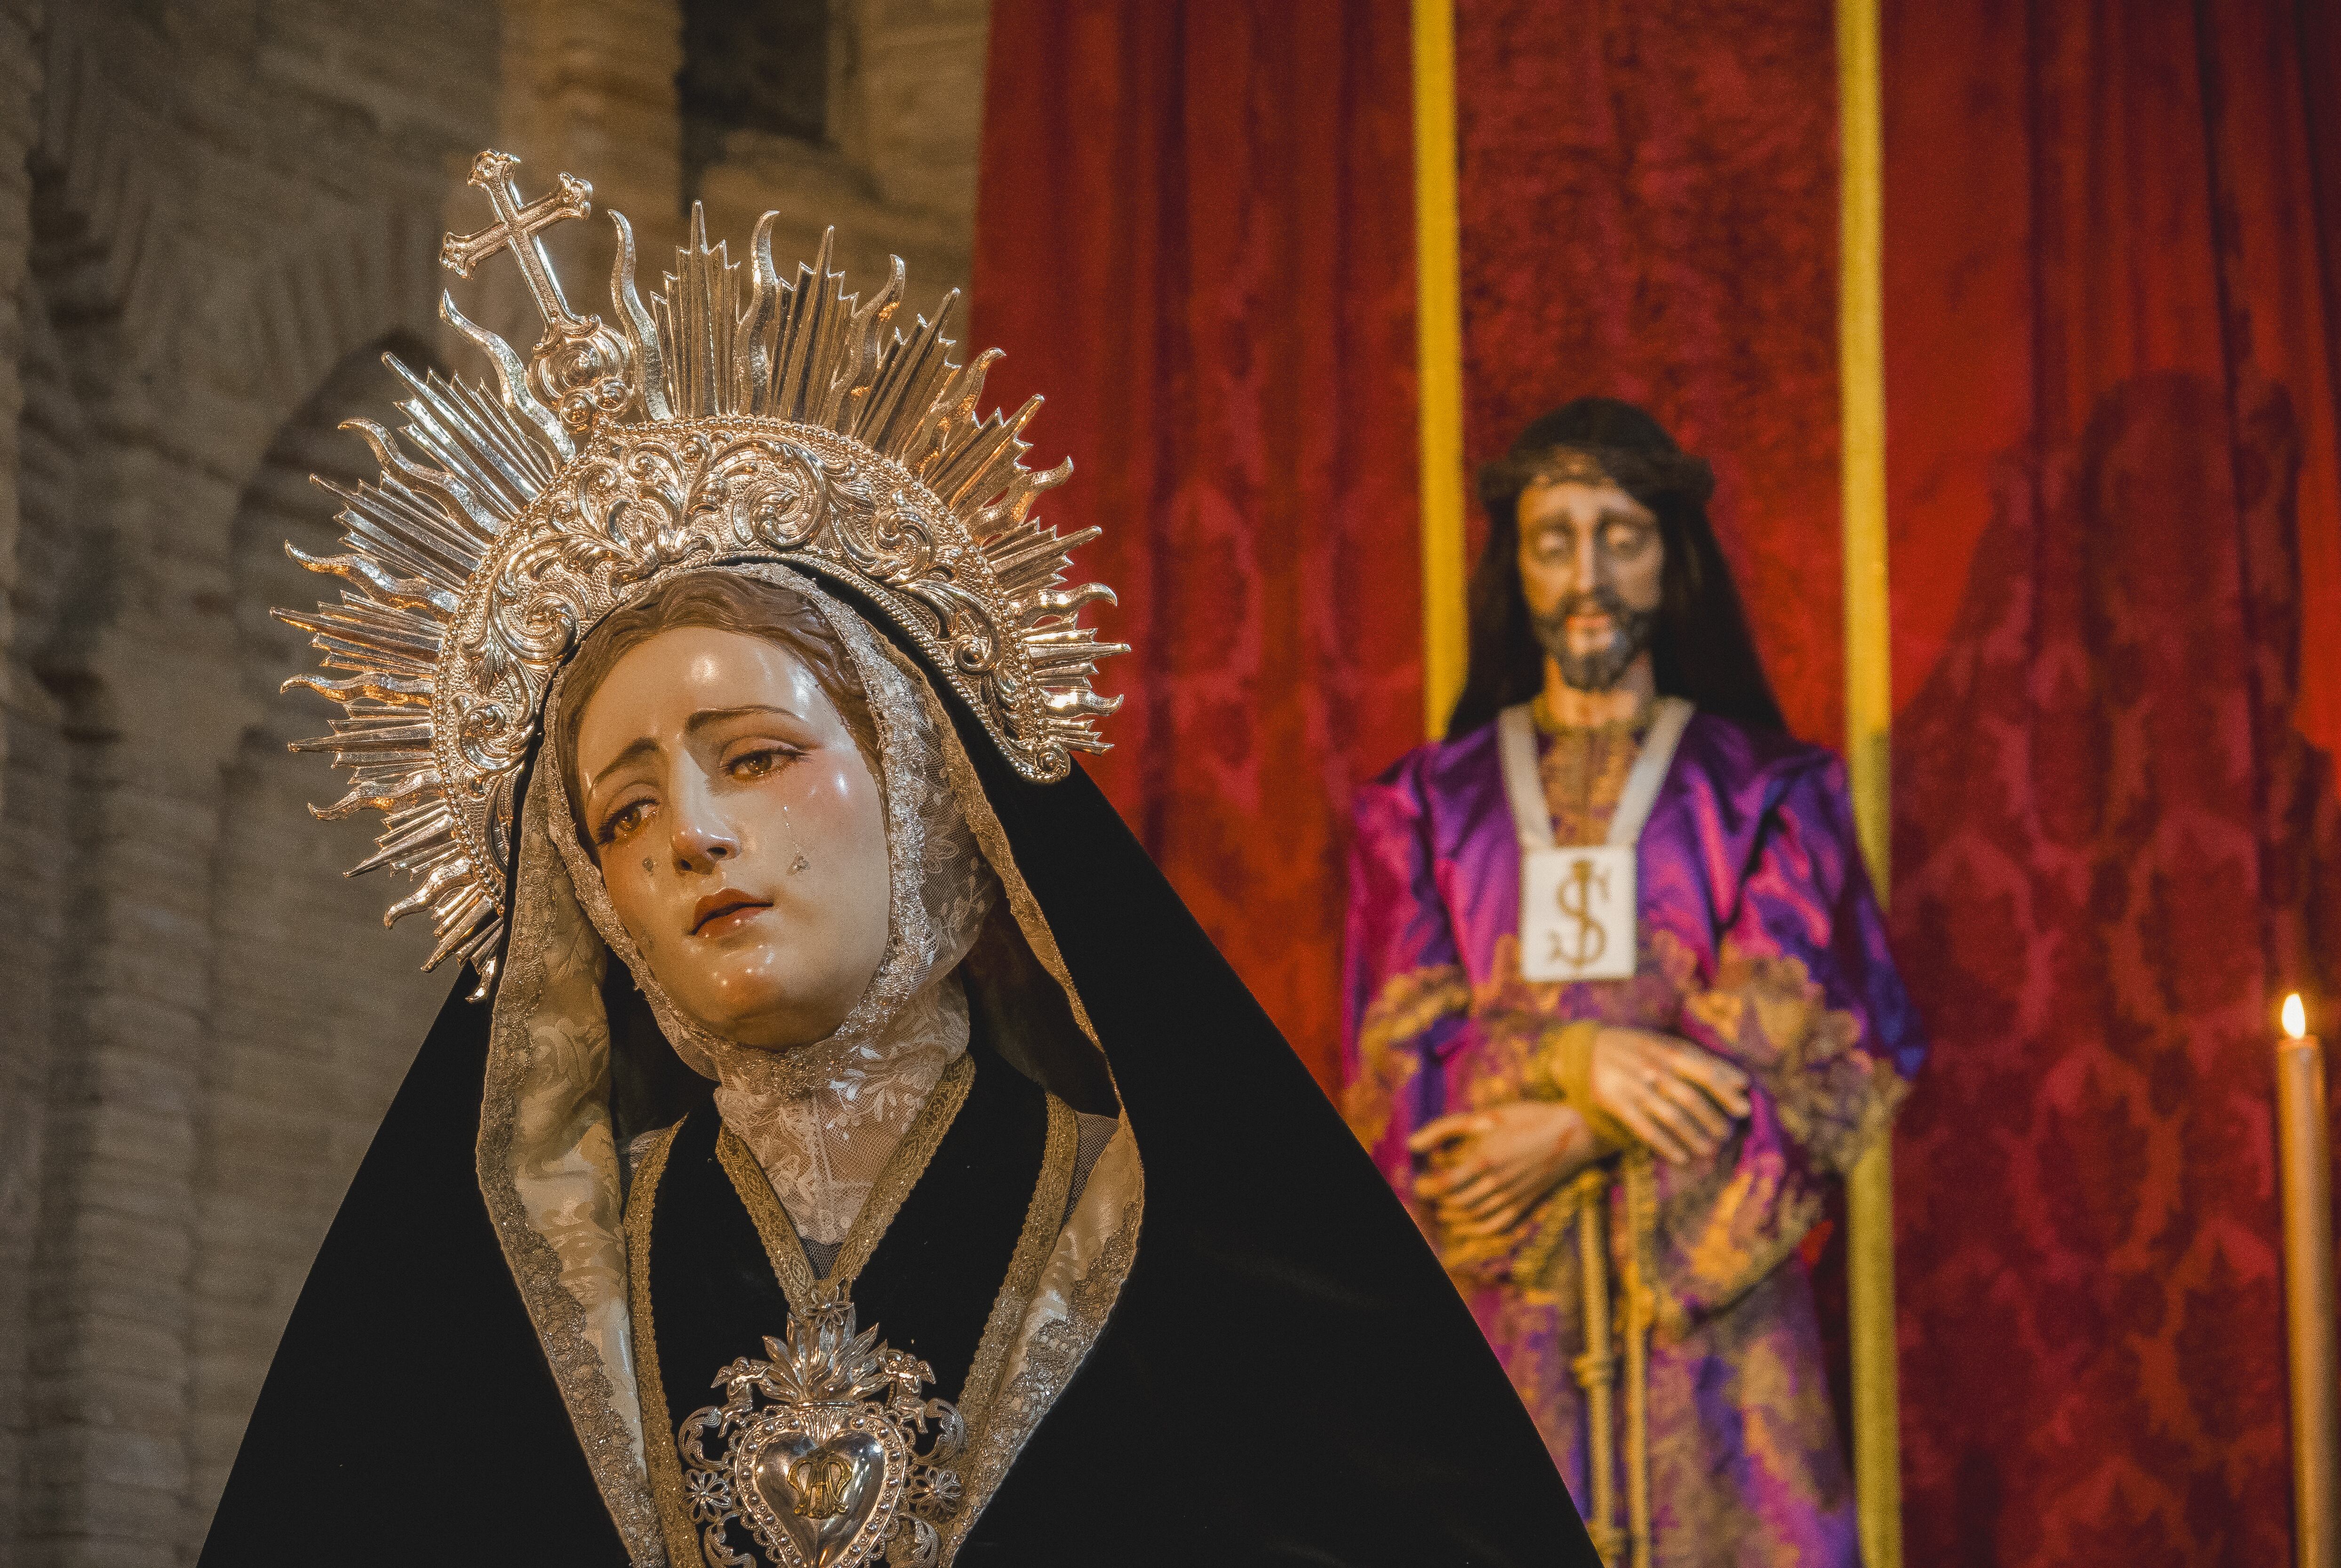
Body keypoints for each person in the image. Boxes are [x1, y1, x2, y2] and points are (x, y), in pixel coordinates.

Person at [198, 152, 1597, 1567]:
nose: (692, 832)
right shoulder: (512, 1307)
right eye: (621, 816)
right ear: (592, 904)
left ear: (929, 790)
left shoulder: (1180, 1252)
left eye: (755, 755)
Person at [1344, 398, 1927, 1567]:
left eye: (1621, 534)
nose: (1587, 573)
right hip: (1510, 1307)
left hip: (1713, 1330)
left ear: (1674, 557)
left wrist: (1570, 1123)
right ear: (1515, 565)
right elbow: (1393, 1050)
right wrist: (1578, 1055)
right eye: (1554, 538)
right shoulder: (1423, 804)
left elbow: (1803, 1031)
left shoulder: (1774, 793)